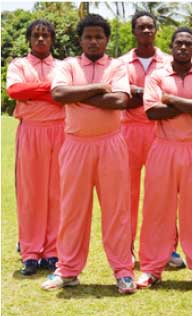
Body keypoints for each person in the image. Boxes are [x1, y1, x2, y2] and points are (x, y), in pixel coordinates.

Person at [41, 14, 136, 294]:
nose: (93, 41)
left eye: (98, 36)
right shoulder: (68, 65)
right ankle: (68, 270)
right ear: (80, 40)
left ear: (106, 39)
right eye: (88, 36)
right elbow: (58, 94)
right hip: (76, 145)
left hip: (111, 144)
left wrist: (78, 95)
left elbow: (119, 101)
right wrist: (98, 89)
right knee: (72, 210)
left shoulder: (117, 66)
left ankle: (123, 271)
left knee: (116, 211)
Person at [135, 27, 192, 290]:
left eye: (188, 44)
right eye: (178, 43)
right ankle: (151, 268)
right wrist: (189, 104)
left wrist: (171, 99)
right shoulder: (157, 75)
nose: (183, 48)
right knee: (157, 209)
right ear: (171, 46)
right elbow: (152, 112)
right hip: (164, 147)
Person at [119, 10, 186, 269]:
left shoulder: (170, 62)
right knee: (128, 194)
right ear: (134, 31)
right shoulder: (121, 63)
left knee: (164, 193)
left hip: (161, 130)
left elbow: (172, 94)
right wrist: (151, 93)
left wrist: (140, 93)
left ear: (156, 31)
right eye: (141, 28)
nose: (146, 32)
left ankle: (167, 248)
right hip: (129, 132)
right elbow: (122, 96)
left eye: (150, 27)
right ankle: (126, 248)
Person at [7, 19, 63, 276]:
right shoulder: (19, 64)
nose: (41, 39)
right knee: (31, 192)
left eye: (46, 35)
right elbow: (16, 90)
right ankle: (30, 252)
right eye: (36, 36)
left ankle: (52, 251)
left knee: (56, 191)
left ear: (52, 39)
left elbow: (64, 93)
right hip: (31, 130)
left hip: (60, 131)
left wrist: (36, 92)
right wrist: (48, 90)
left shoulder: (63, 66)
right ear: (29, 39)